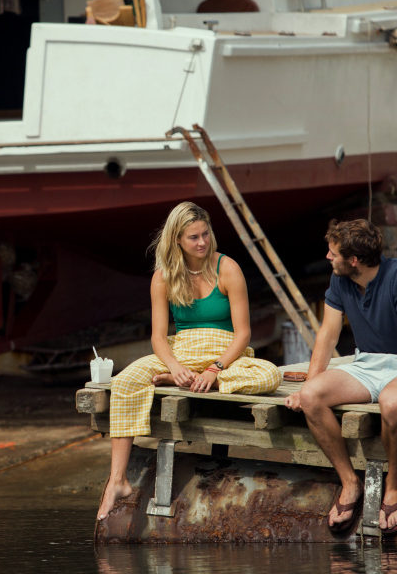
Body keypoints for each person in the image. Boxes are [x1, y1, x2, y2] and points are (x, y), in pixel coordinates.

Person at [96, 201, 282, 521]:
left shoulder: (227, 268)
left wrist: (216, 369)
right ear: (177, 240)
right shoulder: (164, 277)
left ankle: (197, 381)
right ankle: (118, 480)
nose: (202, 242)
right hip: (180, 351)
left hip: (225, 353)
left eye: (205, 234)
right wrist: (174, 367)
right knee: (125, 381)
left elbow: (243, 334)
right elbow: (158, 338)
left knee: (269, 376)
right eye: (193, 237)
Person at [284, 219, 397, 535]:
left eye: (334, 253)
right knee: (310, 397)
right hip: (367, 364)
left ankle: (396, 484)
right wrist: (307, 385)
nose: (328, 258)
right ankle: (349, 482)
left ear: (354, 261)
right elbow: (328, 335)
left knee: (392, 401)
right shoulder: (340, 281)